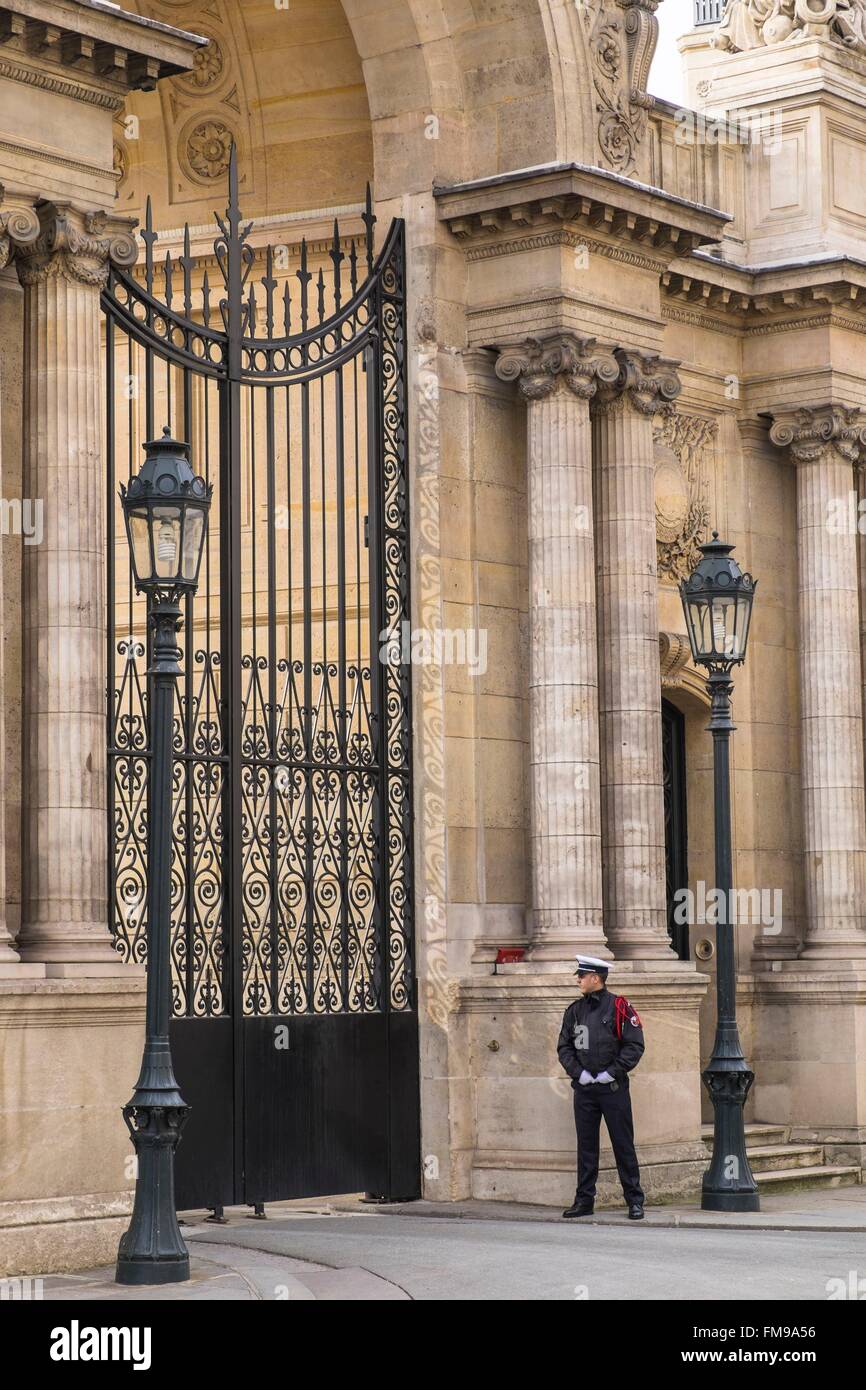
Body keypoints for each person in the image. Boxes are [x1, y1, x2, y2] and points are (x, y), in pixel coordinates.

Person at [556, 955, 646, 1220]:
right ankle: (584, 1201)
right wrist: (579, 1073)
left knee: (623, 1145)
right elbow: (564, 1047)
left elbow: (634, 1045)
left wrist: (611, 1072)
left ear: (596, 978)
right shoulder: (574, 1010)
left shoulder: (619, 1007)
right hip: (584, 1090)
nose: (578, 980)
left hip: (613, 1089)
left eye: (582, 976)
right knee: (586, 1147)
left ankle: (634, 1200)